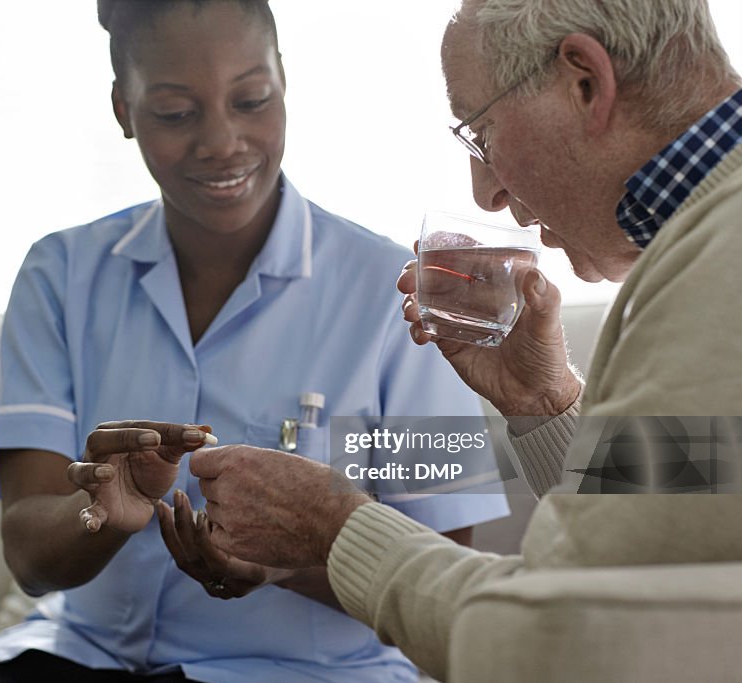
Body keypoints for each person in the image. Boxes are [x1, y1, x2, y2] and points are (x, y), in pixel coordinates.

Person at [184, 0, 742, 680]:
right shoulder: (714, 240)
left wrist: (335, 527)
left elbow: (554, 637)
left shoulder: (720, 267)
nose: (487, 194)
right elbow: (688, 505)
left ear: (585, 83)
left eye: (481, 135)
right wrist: (544, 402)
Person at [0, 1, 508, 682]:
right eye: (175, 113)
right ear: (123, 111)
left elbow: (441, 584)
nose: (222, 140)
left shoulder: (398, 295)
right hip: (79, 659)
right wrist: (101, 508)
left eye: (251, 99)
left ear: (283, 82)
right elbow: (31, 558)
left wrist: (291, 561)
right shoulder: (59, 275)